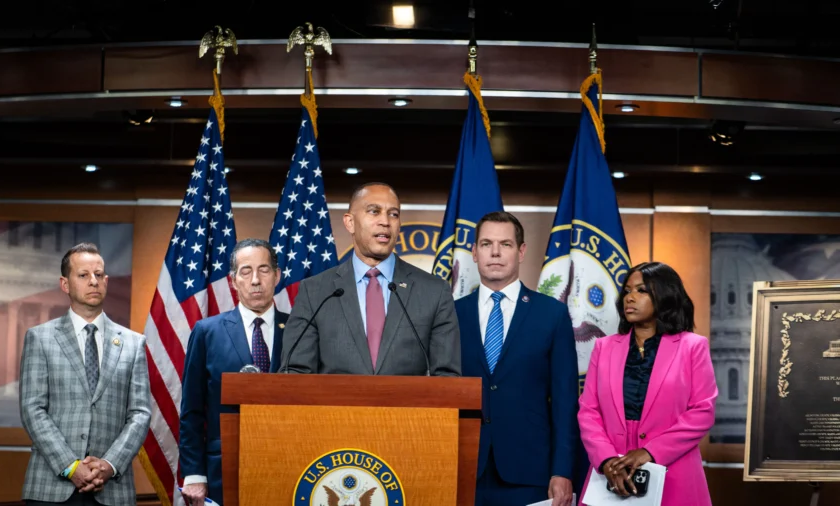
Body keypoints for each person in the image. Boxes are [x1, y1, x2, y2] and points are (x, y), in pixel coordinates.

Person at [456, 212, 578, 506]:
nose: (495, 252)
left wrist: (562, 470)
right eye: (486, 244)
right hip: (462, 467)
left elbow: (565, 401)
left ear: (521, 251)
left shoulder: (552, 314)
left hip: (530, 473)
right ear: (474, 252)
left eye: (505, 244)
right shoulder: (451, 314)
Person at [281, 182, 461, 376]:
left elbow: (447, 377)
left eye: (393, 214)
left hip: (407, 406)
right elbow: (295, 372)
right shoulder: (315, 291)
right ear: (350, 222)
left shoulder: (434, 291)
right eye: (374, 211)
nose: (385, 221)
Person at [19, 243, 151, 505]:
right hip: (51, 488)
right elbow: (32, 409)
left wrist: (109, 464)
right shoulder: (40, 338)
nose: (93, 281)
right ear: (65, 284)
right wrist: (71, 466)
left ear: (106, 281)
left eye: (99, 275)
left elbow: (140, 413)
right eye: (83, 275)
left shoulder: (134, 343)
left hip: (112, 489)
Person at [577, 262, 717, 505]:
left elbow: (702, 412)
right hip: (612, 473)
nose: (630, 298)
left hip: (674, 472)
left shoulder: (693, 346)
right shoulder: (604, 347)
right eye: (627, 291)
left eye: (641, 291)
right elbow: (589, 411)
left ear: (664, 295)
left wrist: (651, 452)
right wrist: (606, 459)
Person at [179, 239, 288, 506]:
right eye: (246, 271)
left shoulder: (300, 328)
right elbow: (192, 410)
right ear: (233, 280)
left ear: (277, 276)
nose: (255, 280)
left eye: (263, 270)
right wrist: (193, 473)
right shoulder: (207, 332)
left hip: (288, 462)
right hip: (223, 470)